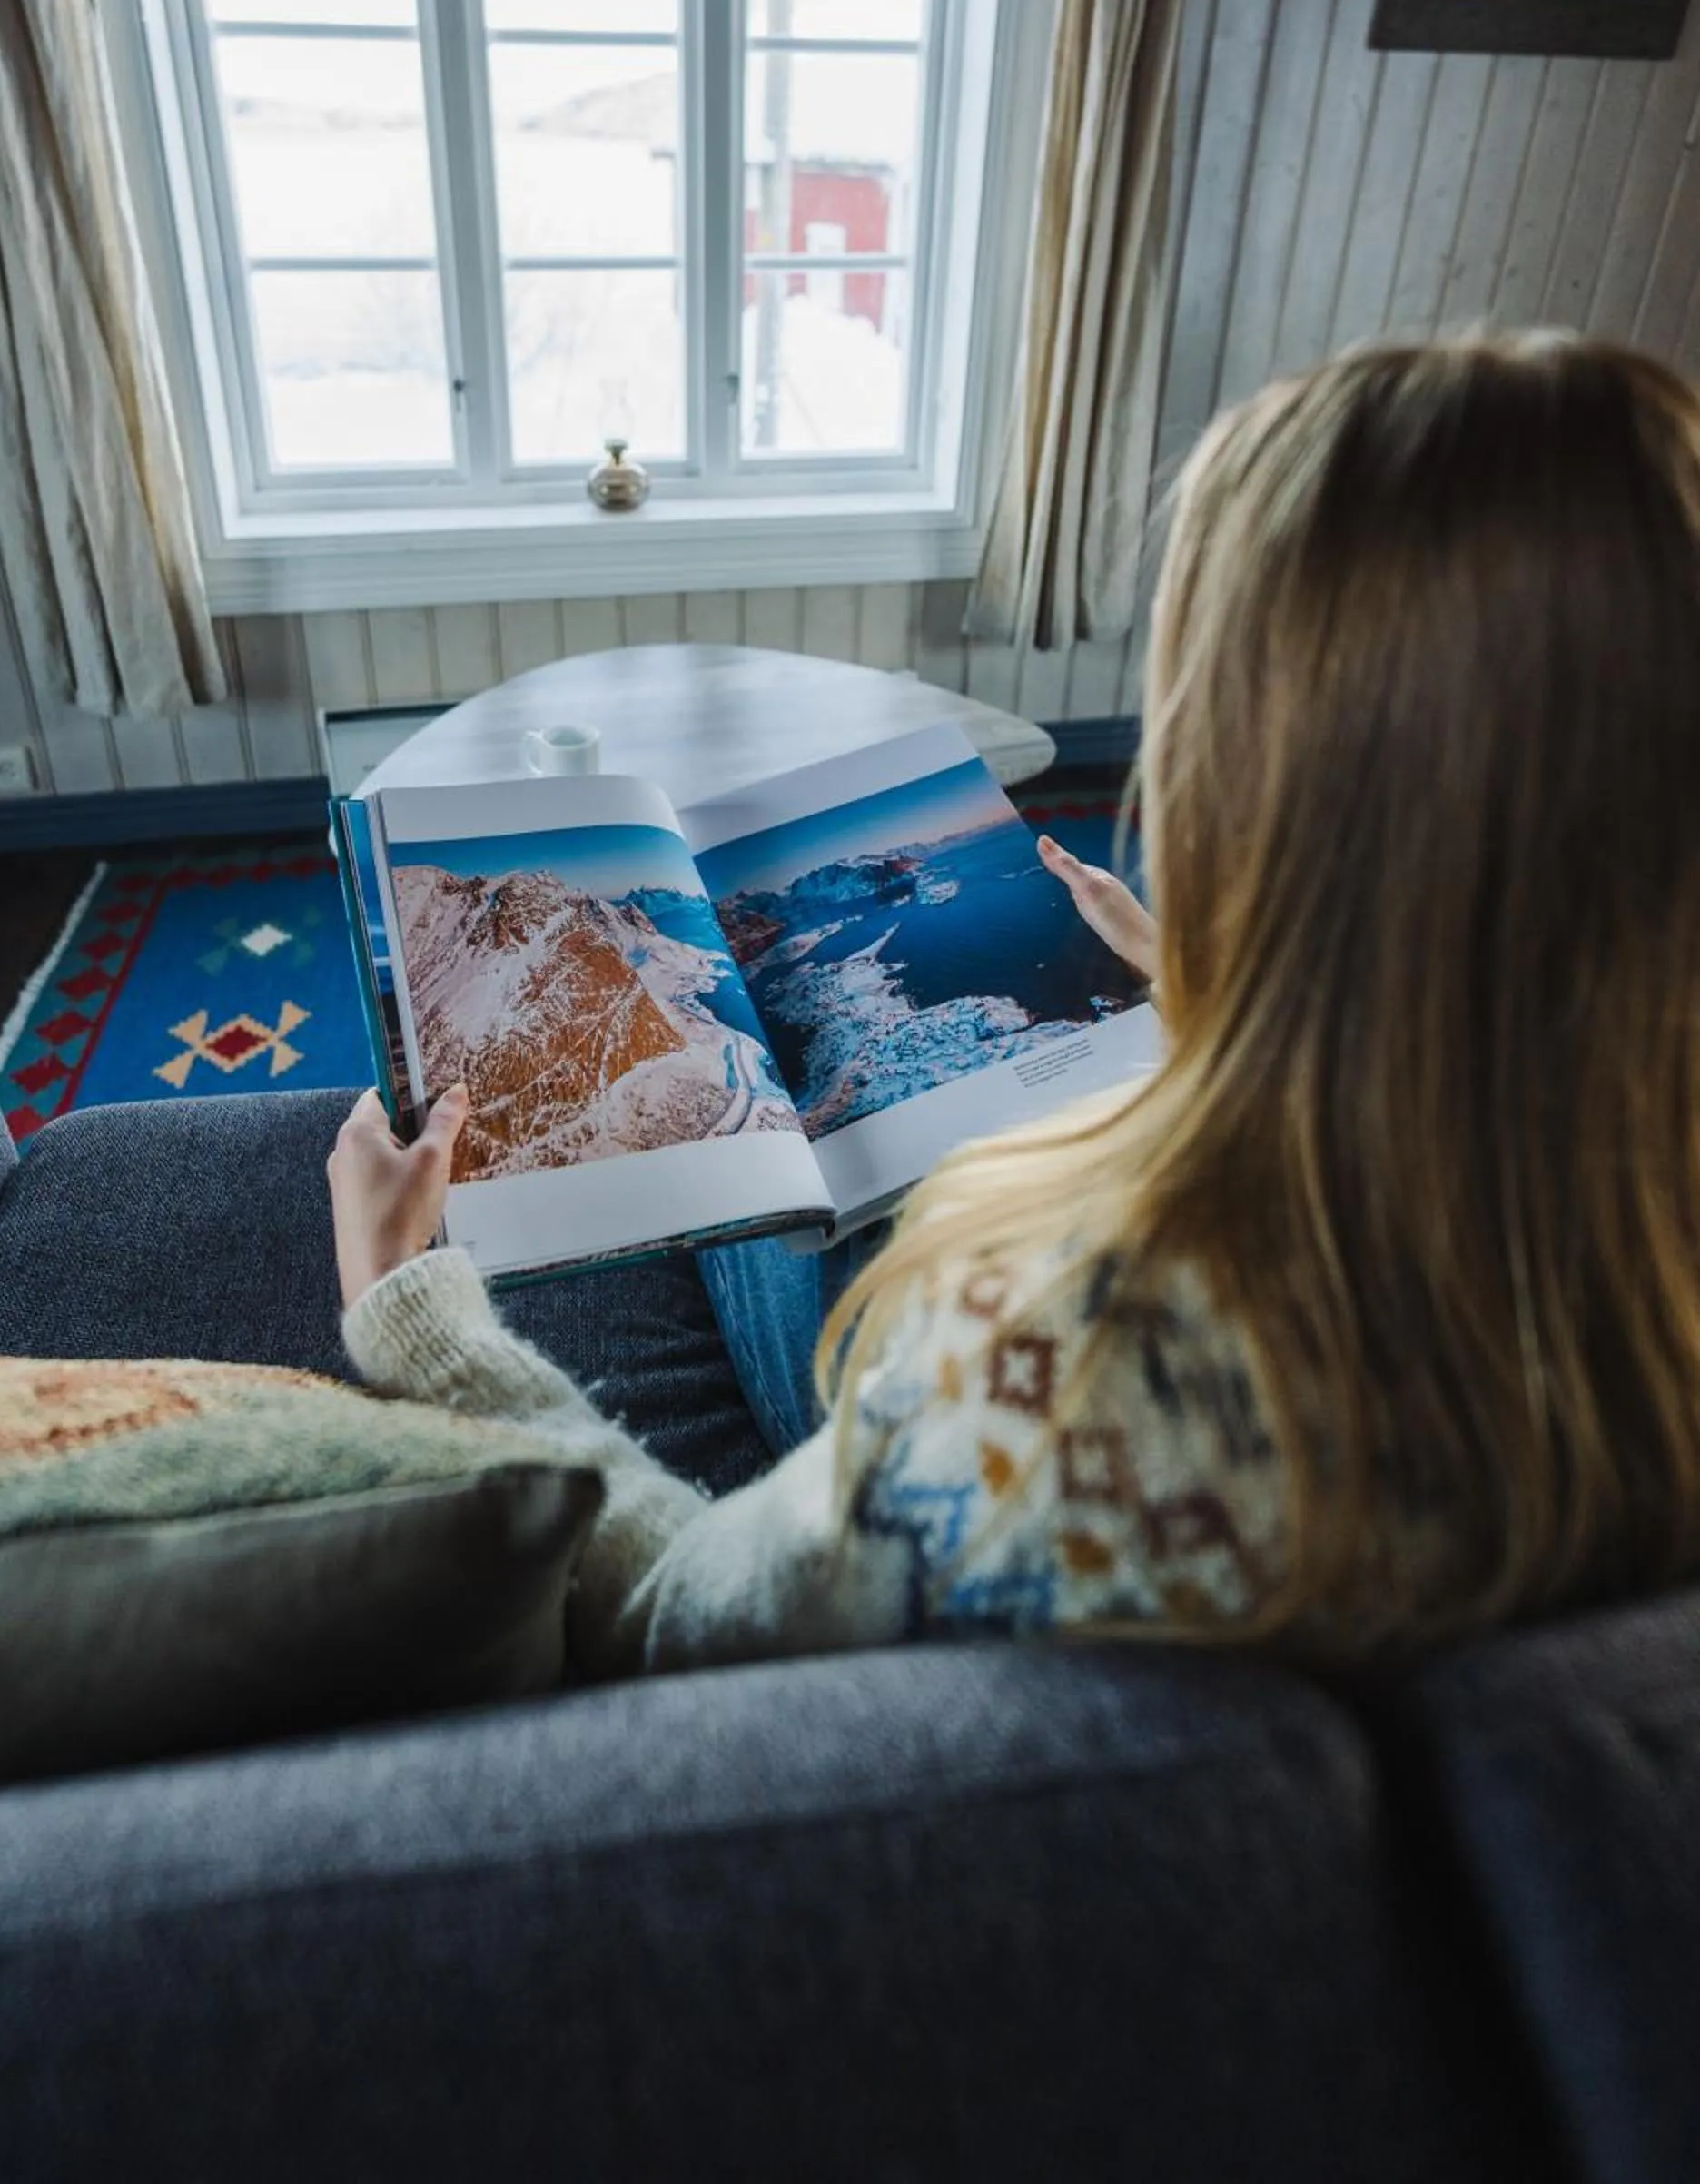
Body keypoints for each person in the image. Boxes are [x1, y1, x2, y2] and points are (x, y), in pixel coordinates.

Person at [329, 331, 1700, 1679]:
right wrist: (1216, 994)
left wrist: (415, 1317)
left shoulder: (1065, 1371)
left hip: (864, 1448)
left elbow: (679, 1612)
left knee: (772, 1108)